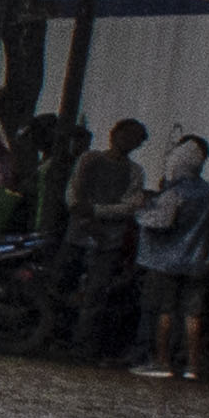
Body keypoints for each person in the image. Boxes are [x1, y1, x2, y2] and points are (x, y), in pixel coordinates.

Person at [128, 132, 209, 379]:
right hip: (197, 261)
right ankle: (193, 365)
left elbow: (159, 222)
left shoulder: (176, 191)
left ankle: (161, 362)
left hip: (168, 263)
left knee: (165, 311)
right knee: (193, 315)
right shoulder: (206, 191)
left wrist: (140, 209)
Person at [65, 115, 150, 357]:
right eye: (126, 135)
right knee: (67, 284)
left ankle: (82, 345)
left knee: (96, 294)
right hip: (79, 235)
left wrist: (93, 211)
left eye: (135, 139)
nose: (129, 141)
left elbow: (129, 206)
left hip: (108, 240)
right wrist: (82, 212)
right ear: (114, 134)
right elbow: (73, 191)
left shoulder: (135, 171)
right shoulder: (89, 159)